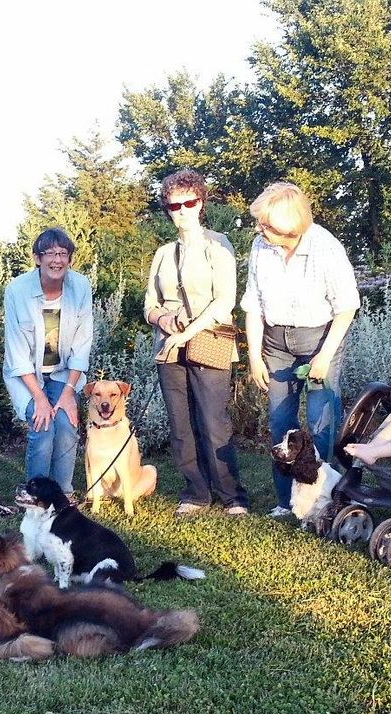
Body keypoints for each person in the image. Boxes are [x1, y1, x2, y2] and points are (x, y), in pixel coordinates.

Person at [241, 181, 360, 520]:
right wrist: (254, 356)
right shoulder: (260, 247)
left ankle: (322, 502)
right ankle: (286, 502)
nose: (260, 229)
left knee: (321, 420)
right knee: (281, 419)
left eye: (267, 224)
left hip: (321, 340)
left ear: (290, 226)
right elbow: (253, 305)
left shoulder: (325, 247)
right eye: (261, 223)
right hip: (276, 343)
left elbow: (347, 306)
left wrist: (324, 356)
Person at [144, 169, 249, 516]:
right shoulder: (162, 254)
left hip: (209, 340)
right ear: (168, 209)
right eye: (175, 205)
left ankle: (232, 495)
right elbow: (149, 305)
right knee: (180, 425)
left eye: (189, 202)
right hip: (169, 347)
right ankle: (196, 492)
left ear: (201, 203)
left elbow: (224, 302)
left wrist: (185, 333)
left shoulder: (218, 245)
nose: (182, 210)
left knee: (213, 421)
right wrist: (163, 319)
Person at [2, 228, 93, 495]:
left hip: (65, 374)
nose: (57, 260)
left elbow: (82, 344)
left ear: (71, 259)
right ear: (37, 258)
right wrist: (40, 398)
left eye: (63, 253)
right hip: (28, 377)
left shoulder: (81, 286)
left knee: (66, 424)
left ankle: (63, 494)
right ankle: (36, 495)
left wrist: (68, 393)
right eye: (49, 253)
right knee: (43, 425)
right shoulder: (17, 290)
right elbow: (17, 353)